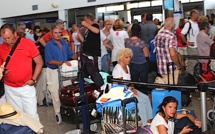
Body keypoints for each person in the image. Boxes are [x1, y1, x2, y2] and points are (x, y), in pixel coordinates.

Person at [0, 24, 43, 120]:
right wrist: (2, 72)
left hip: (26, 87)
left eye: (9, 38)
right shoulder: (1, 48)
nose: (7, 41)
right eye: (4, 39)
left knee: (31, 115)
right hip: (9, 88)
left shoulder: (27, 44)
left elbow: (39, 62)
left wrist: (33, 79)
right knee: (17, 116)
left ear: (15, 33)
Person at [45, 24, 77, 124]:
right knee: (55, 93)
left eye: (59, 33)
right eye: (55, 33)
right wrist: (62, 62)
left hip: (65, 71)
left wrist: (79, 58)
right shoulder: (49, 45)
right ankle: (57, 113)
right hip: (53, 71)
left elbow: (71, 54)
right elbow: (49, 60)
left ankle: (67, 112)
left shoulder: (64, 43)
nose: (58, 35)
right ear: (51, 34)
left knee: (66, 91)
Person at [112, 48, 153, 127]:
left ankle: (149, 119)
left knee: (146, 98)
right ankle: (143, 124)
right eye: (126, 57)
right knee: (140, 102)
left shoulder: (127, 67)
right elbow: (121, 83)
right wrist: (131, 89)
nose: (129, 59)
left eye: (130, 57)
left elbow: (130, 81)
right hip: (121, 92)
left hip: (128, 89)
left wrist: (133, 88)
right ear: (121, 58)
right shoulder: (117, 68)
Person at [154, 17, 181, 84]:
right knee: (172, 89)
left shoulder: (157, 36)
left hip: (161, 68)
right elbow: (172, 54)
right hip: (170, 68)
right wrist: (178, 65)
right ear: (173, 25)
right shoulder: (171, 36)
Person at [125, 23, 150, 94]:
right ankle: (144, 95)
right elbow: (146, 54)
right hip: (142, 64)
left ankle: (136, 95)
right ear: (139, 32)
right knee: (144, 82)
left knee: (134, 82)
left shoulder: (127, 42)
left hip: (132, 64)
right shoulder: (141, 42)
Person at [81, 13, 104, 87]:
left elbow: (97, 31)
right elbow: (84, 41)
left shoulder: (94, 25)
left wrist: (86, 25)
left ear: (87, 19)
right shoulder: (88, 30)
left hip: (92, 54)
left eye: (85, 19)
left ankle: (101, 86)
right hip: (86, 54)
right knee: (86, 71)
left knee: (94, 71)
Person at [181, 9, 200, 75]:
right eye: (197, 14)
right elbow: (182, 34)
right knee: (192, 63)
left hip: (196, 47)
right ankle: (189, 77)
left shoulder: (196, 23)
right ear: (193, 14)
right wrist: (187, 42)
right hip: (192, 48)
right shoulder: (188, 24)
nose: (198, 15)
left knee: (195, 63)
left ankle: (193, 77)